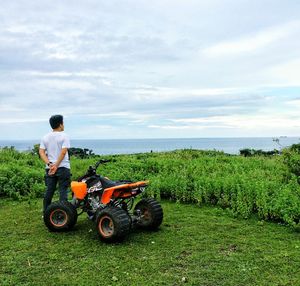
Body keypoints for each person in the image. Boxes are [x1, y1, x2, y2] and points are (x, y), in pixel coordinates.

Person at [39, 115, 71, 213]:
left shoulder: (45, 137)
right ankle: (64, 214)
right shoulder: (64, 136)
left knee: (49, 191)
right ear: (60, 124)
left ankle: (46, 213)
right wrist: (56, 165)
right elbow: (63, 152)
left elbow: (41, 152)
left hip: (50, 169)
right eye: (63, 123)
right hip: (63, 167)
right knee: (63, 191)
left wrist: (50, 164)